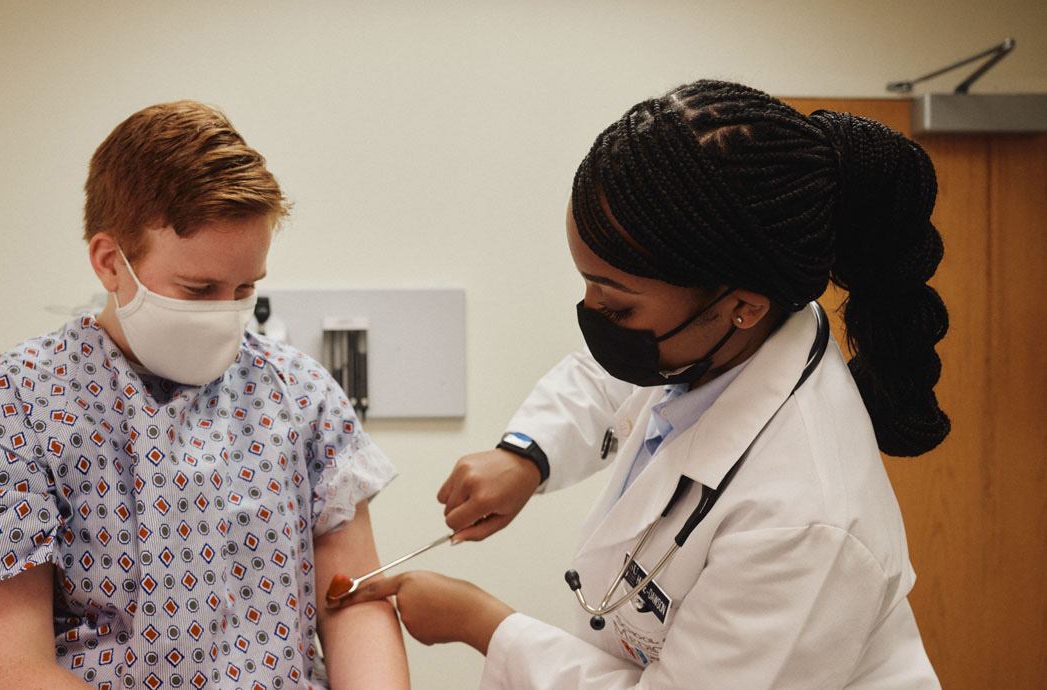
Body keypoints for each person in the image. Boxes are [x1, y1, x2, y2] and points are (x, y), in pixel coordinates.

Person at [333, 80, 949, 688]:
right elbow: (612, 383)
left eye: (618, 307)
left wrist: (485, 625)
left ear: (743, 305)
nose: (594, 317)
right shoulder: (726, 340)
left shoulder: (806, 520)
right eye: (587, 285)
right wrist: (525, 456)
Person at [0, 101, 410, 690]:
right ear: (110, 261)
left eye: (245, 288)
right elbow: (9, 670)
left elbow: (354, 602)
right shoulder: (16, 408)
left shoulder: (299, 395)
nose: (226, 312)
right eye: (198, 288)